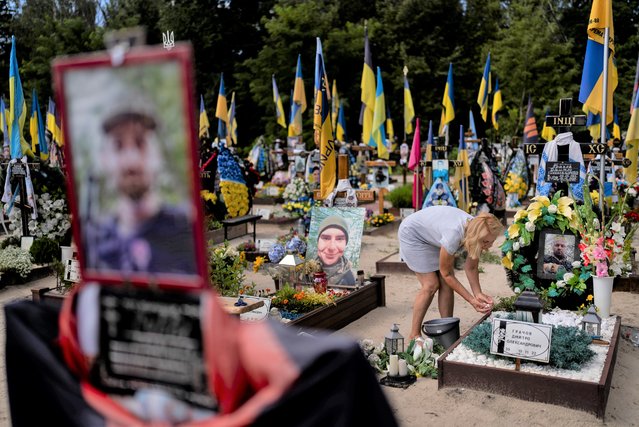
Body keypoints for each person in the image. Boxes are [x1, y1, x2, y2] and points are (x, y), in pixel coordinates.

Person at [86, 100, 197, 275]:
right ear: (104, 159)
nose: (131, 160)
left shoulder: (187, 230)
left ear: (158, 154)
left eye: (141, 143)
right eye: (118, 145)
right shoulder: (94, 241)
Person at [398, 206, 503, 341]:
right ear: (479, 236)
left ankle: (446, 330)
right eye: (486, 242)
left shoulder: (478, 230)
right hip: (412, 234)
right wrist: (471, 300)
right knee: (431, 284)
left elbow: (471, 268)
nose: (489, 246)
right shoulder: (454, 234)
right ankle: (414, 334)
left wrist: (478, 294)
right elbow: (447, 273)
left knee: (447, 285)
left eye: (492, 241)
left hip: (430, 235)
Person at [315, 215, 356, 286]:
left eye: (339, 239)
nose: (332, 247)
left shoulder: (350, 277)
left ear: (345, 244)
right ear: (318, 242)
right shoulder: (305, 273)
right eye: (326, 238)